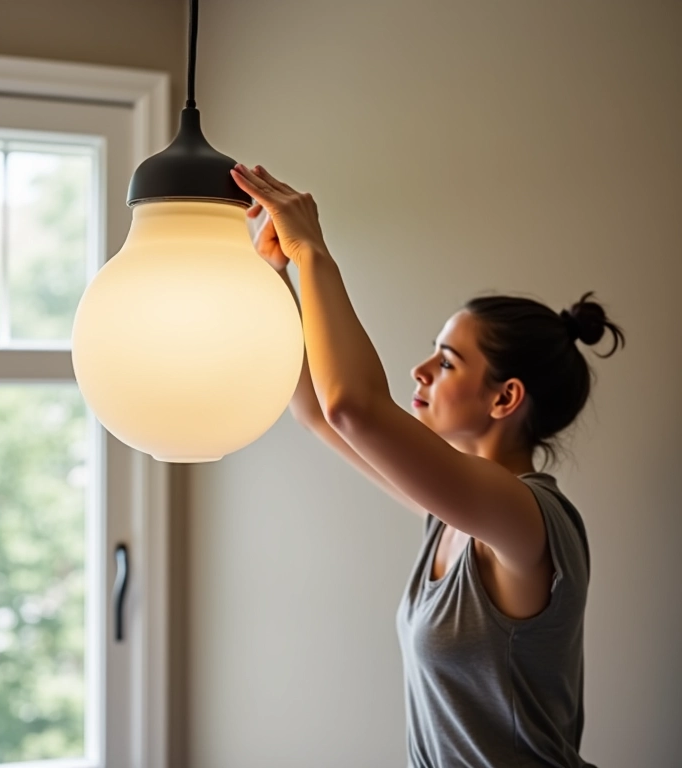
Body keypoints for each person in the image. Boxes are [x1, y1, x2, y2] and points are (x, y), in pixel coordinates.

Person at [231, 163, 624, 768]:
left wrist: (315, 252)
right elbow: (313, 407)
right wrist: (277, 271)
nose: (420, 371)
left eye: (445, 362)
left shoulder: (524, 519)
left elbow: (350, 407)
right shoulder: (453, 518)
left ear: (504, 398)